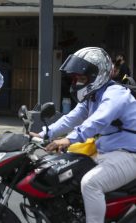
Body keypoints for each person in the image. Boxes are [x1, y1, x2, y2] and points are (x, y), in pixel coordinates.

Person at [30, 47, 136, 223]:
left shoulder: (115, 94)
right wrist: (43, 134)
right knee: (67, 174)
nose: (77, 83)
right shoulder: (93, 96)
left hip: (129, 155)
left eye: (82, 78)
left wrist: (68, 139)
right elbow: (70, 118)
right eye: (76, 79)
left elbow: (98, 121)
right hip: (106, 153)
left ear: (97, 76)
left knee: (91, 184)